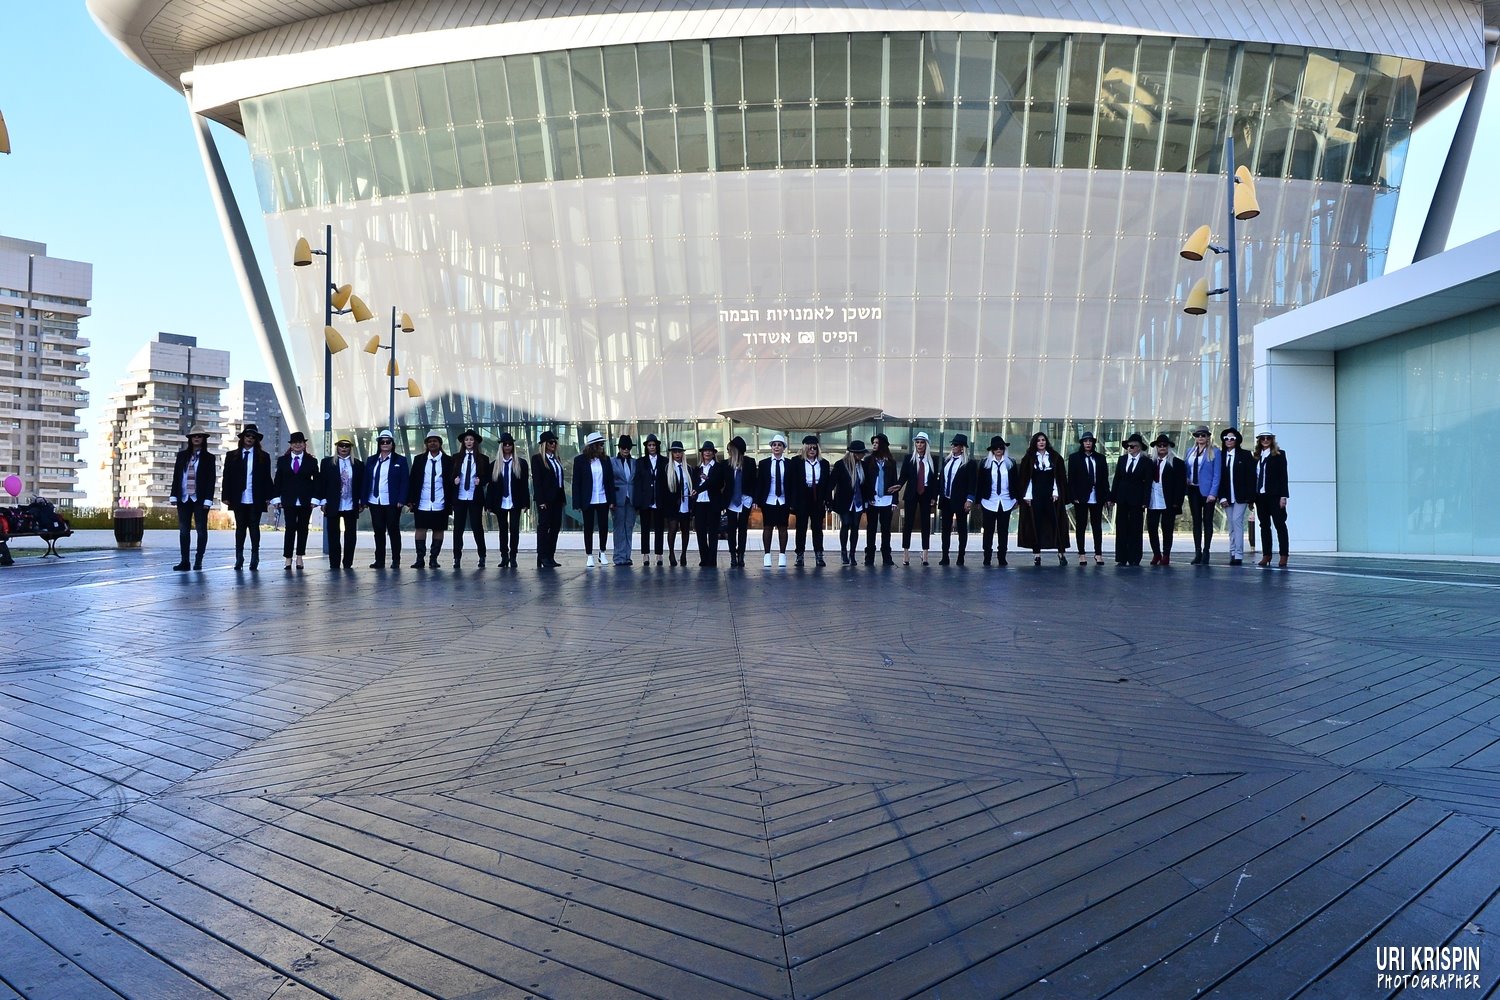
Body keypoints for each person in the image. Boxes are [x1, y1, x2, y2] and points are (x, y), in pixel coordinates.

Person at [221, 423, 273, 570]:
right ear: (242, 437)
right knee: (240, 527)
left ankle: (255, 556)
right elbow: (227, 477)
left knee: (254, 526)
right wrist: (225, 495)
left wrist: (269, 496)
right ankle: (239, 557)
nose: (250, 439)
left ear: (256, 439)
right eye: (247, 436)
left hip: (255, 496)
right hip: (238, 497)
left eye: (253, 437)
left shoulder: (263, 456)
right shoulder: (232, 456)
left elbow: (267, 478)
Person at [1017, 431, 1070, 566]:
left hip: (1051, 495)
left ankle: (1061, 552)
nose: (1041, 442)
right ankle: (1037, 554)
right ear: (1035, 442)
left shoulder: (1055, 457)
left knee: (1056, 522)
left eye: (1043, 440)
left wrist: (1056, 492)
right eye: (1039, 440)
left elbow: (1059, 477)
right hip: (1035, 495)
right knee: (1036, 523)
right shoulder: (1028, 458)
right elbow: (1025, 479)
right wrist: (1027, 496)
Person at [168, 425, 216, 571]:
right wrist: (173, 494)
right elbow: (177, 476)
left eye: (199, 436)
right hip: (183, 497)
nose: (196, 438)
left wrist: (208, 499)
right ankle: (185, 561)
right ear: (190, 439)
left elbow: (210, 480)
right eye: (194, 436)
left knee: (201, 530)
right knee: (183, 530)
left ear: (203, 439)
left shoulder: (209, 458)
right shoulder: (182, 456)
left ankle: (198, 560)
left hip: (200, 499)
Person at [363, 429, 409, 569]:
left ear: (392, 444)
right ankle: (379, 560)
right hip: (374, 500)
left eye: (387, 442)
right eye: (382, 442)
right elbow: (366, 480)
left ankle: (396, 560)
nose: (384, 444)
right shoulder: (372, 460)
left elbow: (405, 481)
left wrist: (402, 499)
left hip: (392, 501)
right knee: (378, 530)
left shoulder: (400, 460)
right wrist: (364, 499)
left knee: (393, 530)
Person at [272, 432, 320, 570]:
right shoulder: (283, 460)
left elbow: (317, 481)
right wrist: (276, 498)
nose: (298, 445)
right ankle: (288, 558)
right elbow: (278, 481)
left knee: (303, 528)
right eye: (295, 443)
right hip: (289, 500)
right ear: (291, 445)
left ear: (304, 445)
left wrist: (315, 499)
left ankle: (299, 557)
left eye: (300, 442)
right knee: (290, 528)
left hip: (306, 500)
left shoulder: (311, 461)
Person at [407, 430, 452, 569]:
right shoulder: (419, 459)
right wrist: (410, 499)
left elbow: (450, 482)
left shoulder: (448, 460)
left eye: (435, 441)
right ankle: (420, 559)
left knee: (439, 530)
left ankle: (434, 559)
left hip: (440, 501)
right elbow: (412, 480)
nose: (433, 443)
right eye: (430, 441)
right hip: (422, 501)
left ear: (440, 443)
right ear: (426, 444)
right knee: (420, 529)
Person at [319, 435, 364, 570]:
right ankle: (334, 563)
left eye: (347, 446)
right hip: (333, 503)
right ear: (337, 447)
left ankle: (348, 562)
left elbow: (361, 484)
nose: (344, 448)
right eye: (341, 445)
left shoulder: (358, 464)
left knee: (350, 535)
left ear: (351, 448)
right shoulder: (327, 463)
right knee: (333, 534)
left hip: (351, 503)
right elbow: (323, 483)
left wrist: (361, 501)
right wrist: (323, 501)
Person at [484, 432, 529, 568]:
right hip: (500, 501)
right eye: (505, 444)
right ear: (501, 446)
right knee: (502, 530)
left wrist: (526, 502)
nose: (508, 446)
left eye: (510, 444)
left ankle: (513, 556)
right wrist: (488, 504)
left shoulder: (521, 463)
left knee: (514, 529)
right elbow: (491, 487)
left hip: (515, 501)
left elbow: (524, 484)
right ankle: (504, 556)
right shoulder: (494, 465)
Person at [572, 432, 615, 569]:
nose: (602, 447)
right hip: (588, 499)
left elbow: (610, 482)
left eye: (602, 444)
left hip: (602, 498)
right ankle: (589, 555)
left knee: (604, 527)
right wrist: (577, 503)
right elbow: (576, 483)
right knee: (588, 528)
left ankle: (602, 552)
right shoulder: (579, 460)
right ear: (593, 446)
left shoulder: (606, 460)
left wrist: (612, 500)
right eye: (600, 444)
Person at [1067, 432, 1111, 565]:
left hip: (1097, 496)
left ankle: (1098, 554)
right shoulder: (1075, 458)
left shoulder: (1100, 458)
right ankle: (1081, 554)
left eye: (1090, 441)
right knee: (1081, 525)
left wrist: (1107, 497)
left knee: (1097, 526)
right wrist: (1073, 496)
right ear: (1081, 443)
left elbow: (1104, 479)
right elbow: (1072, 479)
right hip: (1081, 497)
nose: (1088, 443)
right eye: (1085, 441)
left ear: (1093, 443)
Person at [450, 429, 491, 568]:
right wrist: (453, 481)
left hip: (474, 496)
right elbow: (449, 476)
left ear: (475, 442)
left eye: (471, 440)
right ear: (463, 442)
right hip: (460, 496)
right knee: (458, 528)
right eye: (467, 440)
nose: (469, 442)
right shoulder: (456, 458)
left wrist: (482, 481)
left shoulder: (483, 459)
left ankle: (482, 555)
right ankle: (456, 557)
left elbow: (487, 477)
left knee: (477, 526)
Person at [789, 434, 831, 567]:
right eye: (810, 448)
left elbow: (827, 484)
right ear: (805, 449)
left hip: (817, 496)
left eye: (815, 448)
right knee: (801, 528)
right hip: (803, 496)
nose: (812, 450)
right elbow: (792, 483)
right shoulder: (796, 462)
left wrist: (827, 500)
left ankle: (819, 555)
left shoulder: (824, 463)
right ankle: (799, 555)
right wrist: (793, 502)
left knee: (817, 528)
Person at [975, 436, 1017, 566]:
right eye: (996, 448)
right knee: (988, 531)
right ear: (992, 450)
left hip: (1006, 501)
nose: (998, 450)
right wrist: (977, 501)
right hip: (989, 501)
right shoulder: (984, 463)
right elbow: (979, 483)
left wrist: (1016, 499)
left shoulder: (1011, 463)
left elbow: (1015, 482)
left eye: (1001, 447)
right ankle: (987, 556)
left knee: (1003, 531)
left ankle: (1002, 557)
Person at [830, 441, 874, 565]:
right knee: (846, 524)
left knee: (855, 526)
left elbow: (867, 484)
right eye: (861, 453)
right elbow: (832, 483)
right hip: (844, 501)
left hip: (858, 501)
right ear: (854, 454)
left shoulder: (863, 466)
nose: (863, 455)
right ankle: (844, 552)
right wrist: (829, 500)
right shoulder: (840, 465)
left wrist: (870, 497)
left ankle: (852, 554)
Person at [898, 431, 939, 565]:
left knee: (926, 524)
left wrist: (934, 496)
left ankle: (925, 553)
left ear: (926, 444)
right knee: (908, 523)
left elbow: (934, 481)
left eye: (922, 442)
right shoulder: (909, 458)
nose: (919, 445)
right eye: (917, 442)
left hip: (926, 494)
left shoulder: (933, 460)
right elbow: (903, 476)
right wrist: (897, 486)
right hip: (911, 493)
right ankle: (906, 553)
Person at [1146, 434, 1187, 566]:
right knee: (1152, 528)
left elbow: (1181, 485)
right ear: (1156, 447)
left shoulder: (1177, 463)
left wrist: (1177, 502)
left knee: (1167, 528)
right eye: (1160, 445)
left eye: (1165, 445)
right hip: (1153, 499)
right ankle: (1156, 553)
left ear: (1168, 447)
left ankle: (1166, 554)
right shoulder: (1149, 462)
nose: (1162, 448)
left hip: (1169, 500)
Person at [1183, 425, 1221, 564]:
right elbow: (1186, 469)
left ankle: (1206, 551)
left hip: (1207, 492)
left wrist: (1213, 493)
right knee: (1196, 521)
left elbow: (1217, 475)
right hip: (1193, 489)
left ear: (1208, 437)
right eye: (1198, 435)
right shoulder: (1189, 451)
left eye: (1203, 435)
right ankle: (1197, 551)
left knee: (1208, 521)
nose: (1200, 438)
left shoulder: (1215, 452)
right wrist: (1186, 478)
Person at [937, 433, 976, 566]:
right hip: (946, 499)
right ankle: (945, 556)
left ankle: (961, 556)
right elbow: (942, 479)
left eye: (956, 445)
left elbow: (972, 483)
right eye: (953, 444)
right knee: (945, 529)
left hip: (960, 500)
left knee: (962, 529)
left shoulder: (969, 463)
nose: (953, 447)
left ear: (962, 448)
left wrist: (969, 499)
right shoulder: (947, 461)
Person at [1217, 427, 1254, 566]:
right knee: (1231, 524)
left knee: (1237, 521)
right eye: (1226, 438)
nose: (1229, 441)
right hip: (1226, 496)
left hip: (1241, 496)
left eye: (1232, 438)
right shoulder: (1220, 456)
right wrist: (1222, 497)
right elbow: (1218, 478)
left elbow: (1251, 477)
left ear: (1237, 440)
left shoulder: (1245, 455)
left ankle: (1238, 554)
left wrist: (1251, 498)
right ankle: (1232, 552)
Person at [1254, 428, 1290, 567]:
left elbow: (1283, 476)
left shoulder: (1279, 455)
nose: (1265, 441)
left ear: (1272, 440)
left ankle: (1283, 555)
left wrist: (1283, 496)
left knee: (1280, 525)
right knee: (1264, 526)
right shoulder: (1256, 455)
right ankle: (1266, 555)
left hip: (1275, 495)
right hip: (1260, 496)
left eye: (1268, 438)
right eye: (1262, 438)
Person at [1112, 433, 1150, 566]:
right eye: (1128, 446)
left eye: (1133, 446)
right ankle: (1121, 557)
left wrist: (1146, 501)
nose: (1130, 448)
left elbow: (1148, 483)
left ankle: (1134, 557)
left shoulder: (1146, 462)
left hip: (1137, 500)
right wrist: (1112, 497)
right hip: (1122, 498)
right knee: (1121, 528)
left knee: (1135, 528)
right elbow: (1116, 479)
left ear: (1139, 447)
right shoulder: (1122, 460)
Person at [755, 434, 792, 568]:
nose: (776, 447)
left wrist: (792, 500)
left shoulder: (789, 463)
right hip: (769, 499)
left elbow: (792, 484)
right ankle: (767, 555)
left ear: (783, 448)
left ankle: (782, 555)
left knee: (783, 527)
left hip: (783, 500)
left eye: (779, 445)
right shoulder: (764, 463)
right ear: (771, 447)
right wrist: (757, 499)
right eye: (774, 444)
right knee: (768, 527)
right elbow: (759, 483)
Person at [691, 441, 729, 567]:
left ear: (713, 453)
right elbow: (694, 484)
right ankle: (704, 558)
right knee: (700, 532)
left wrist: (705, 482)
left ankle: (712, 560)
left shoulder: (718, 467)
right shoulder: (697, 469)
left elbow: (717, 483)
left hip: (713, 503)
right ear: (702, 453)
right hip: (700, 503)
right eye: (705, 450)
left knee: (713, 532)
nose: (707, 452)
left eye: (710, 451)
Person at [532, 431, 566, 569]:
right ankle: (542, 556)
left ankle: (550, 556)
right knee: (544, 527)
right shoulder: (538, 459)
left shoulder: (556, 458)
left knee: (555, 527)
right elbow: (537, 482)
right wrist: (540, 500)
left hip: (557, 498)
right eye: (551, 442)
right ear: (545, 444)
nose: (553, 444)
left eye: (555, 442)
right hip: (545, 499)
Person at [864, 433, 899, 566]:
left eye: (877, 443)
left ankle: (886, 556)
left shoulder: (891, 462)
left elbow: (895, 482)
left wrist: (895, 500)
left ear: (883, 445)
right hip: (873, 500)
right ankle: (869, 556)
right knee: (871, 528)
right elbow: (865, 481)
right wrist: (868, 496)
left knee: (886, 529)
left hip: (887, 499)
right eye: (873, 443)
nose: (874, 445)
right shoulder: (868, 461)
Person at [722, 437, 757, 568]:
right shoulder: (725, 464)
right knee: (731, 528)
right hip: (731, 499)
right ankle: (732, 556)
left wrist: (755, 499)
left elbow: (755, 482)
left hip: (745, 499)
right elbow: (721, 482)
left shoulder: (749, 462)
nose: (728, 451)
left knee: (743, 528)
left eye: (730, 449)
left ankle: (741, 555)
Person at [634, 434, 668, 566]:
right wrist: (638, 501)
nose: (652, 447)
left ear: (657, 446)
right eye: (649, 445)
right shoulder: (640, 462)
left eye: (654, 445)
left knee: (659, 528)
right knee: (645, 529)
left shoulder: (664, 461)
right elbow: (637, 482)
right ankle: (645, 555)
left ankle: (659, 554)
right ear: (646, 447)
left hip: (659, 499)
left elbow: (666, 482)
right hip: (645, 500)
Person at [663, 441, 694, 567]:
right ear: (671, 454)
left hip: (686, 503)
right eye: (675, 452)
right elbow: (664, 489)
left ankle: (684, 554)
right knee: (672, 529)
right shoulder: (667, 468)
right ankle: (671, 553)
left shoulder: (689, 469)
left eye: (679, 452)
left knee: (685, 529)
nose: (677, 454)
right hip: (672, 504)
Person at [611, 435, 638, 567]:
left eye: (628, 447)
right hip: (618, 499)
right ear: (619, 447)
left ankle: (627, 556)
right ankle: (619, 556)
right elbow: (609, 482)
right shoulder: (612, 462)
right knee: (619, 528)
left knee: (629, 527)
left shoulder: (635, 462)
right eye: (623, 447)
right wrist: (610, 500)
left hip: (631, 499)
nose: (626, 449)